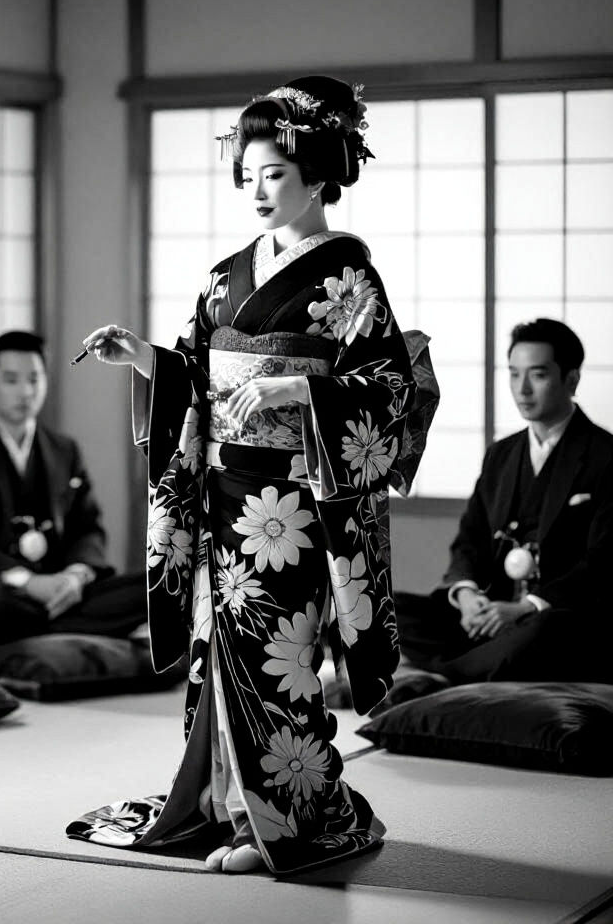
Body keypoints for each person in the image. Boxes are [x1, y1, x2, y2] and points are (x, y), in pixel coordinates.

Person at [66, 77, 421, 876]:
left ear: (320, 176)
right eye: (250, 174)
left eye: (277, 176)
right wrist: (146, 360)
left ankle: (286, 822)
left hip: (293, 500)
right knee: (215, 653)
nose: (258, 191)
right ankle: (223, 808)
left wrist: (301, 388)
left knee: (279, 659)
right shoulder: (228, 273)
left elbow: (390, 389)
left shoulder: (351, 282)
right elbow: (195, 371)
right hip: (222, 494)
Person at [393, 318, 613, 687]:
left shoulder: (605, 456)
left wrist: (527, 607)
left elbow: (603, 561)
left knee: (546, 629)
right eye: (513, 374)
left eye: (538, 375)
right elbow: (470, 539)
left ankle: (444, 676)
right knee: (393, 612)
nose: (522, 389)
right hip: (492, 613)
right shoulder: (501, 455)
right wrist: (466, 596)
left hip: (554, 615)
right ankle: (481, 664)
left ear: (571, 380)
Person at [0, 330, 147, 644]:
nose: (25, 392)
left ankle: (50, 623)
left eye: (34, 379)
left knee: (151, 589)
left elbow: (88, 527)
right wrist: (27, 582)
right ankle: (71, 625)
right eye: (12, 380)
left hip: (58, 583)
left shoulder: (64, 450)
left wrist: (74, 577)